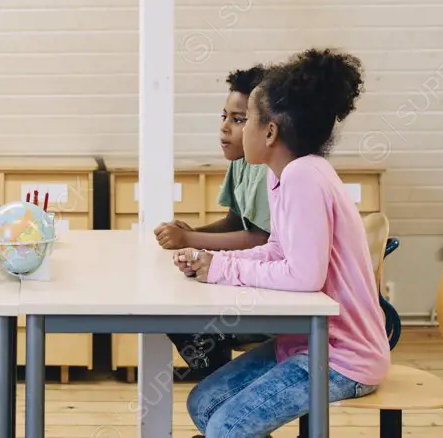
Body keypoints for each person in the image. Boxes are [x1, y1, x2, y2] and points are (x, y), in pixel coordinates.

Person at [175, 48, 389, 438]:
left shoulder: (303, 177)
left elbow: (305, 275)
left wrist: (222, 268)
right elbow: (278, 249)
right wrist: (213, 259)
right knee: (203, 404)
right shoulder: (285, 175)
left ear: (270, 131)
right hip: (303, 343)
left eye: (248, 120)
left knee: (227, 426)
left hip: (343, 357)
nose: (238, 130)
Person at [153, 65, 274, 381]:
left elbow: (259, 238)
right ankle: (220, 391)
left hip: (270, 290)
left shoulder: (265, 169)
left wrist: (191, 241)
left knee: (187, 319)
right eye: (224, 117)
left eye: (238, 120)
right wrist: (190, 234)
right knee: (174, 309)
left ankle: (223, 389)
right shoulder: (242, 161)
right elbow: (237, 221)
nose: (225, 128)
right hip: (250, 273)